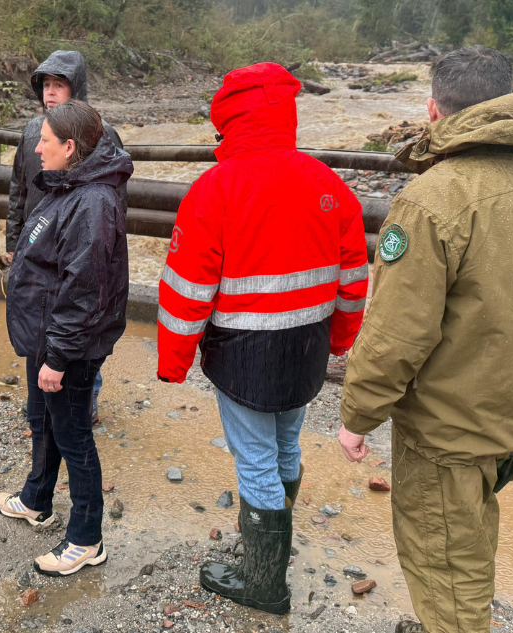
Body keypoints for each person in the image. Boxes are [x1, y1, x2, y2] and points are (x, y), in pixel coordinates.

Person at [337, 46, 513, 633]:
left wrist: (358, 416)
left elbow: (398, 332)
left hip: (447, 426)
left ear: (433, 110)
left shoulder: (433, 199)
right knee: (471, 534)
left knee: (445, 565)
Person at [156, 62, 368, 615]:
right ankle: (269, 541)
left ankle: (264, 583)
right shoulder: (329, 185)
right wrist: (340, 341)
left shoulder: (214, 189)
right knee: (285, 445)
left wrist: (174, 361)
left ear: (229, 121)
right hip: (308, 348)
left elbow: (186, 289)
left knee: (254, 459)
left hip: (244, 354)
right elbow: (353, 281)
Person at [0, 100, 132, 577]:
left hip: (69, 345)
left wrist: (58, 357)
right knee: (44, 419)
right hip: (48, 334)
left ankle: (87, 538)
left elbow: (84, 289)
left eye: (45, 141)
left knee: (73, 435)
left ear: (70, 147)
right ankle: (37, 499)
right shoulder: (70, 185)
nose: (37, 148)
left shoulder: (93, 202)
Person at [5, 50, 125, 425]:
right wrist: (13, 242)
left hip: (77, 249)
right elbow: (19, 189)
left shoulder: (100, 135)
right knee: (39, 325)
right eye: (46, 84)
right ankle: (42, 404)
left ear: (77, 88)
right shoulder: (32, 132)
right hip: (38, 248)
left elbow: (113, 204)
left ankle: (83, 402)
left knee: (80, 323)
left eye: (59, 84)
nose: (51, 92)